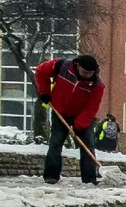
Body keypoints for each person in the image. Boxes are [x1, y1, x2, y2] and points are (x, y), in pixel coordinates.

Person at [35, 54, 105, 184]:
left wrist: (79, 125)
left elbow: (91, 108)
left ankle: (89, 178)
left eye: (90, 73)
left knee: (87, 146)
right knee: (55, 143)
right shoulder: (62, 66)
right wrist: (45, 92)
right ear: (77, 66)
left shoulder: (97, 85)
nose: (87, 75)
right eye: (85, 72)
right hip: (60, 111)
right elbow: (40, 71)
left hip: (82, 116)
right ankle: (51, 176)